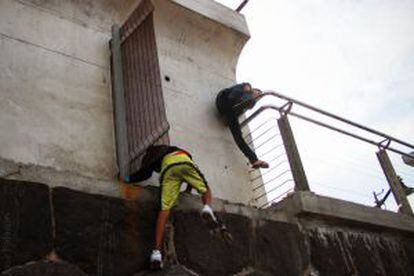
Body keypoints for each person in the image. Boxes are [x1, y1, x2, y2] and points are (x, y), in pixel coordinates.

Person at [120, 145, 218, 269]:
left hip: (169, 169)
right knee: (205, 189)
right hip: (184, 160)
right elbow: (189, 173)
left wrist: (127, 179)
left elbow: (144, 174)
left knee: (164, 210)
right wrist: (188, 190)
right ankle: (207, 208)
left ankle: (156, 253)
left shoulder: (155, 156)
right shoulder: (176, 150)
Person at [216, 82, 269, 169]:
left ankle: (254, 160)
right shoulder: (246, 87)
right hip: (223, 99)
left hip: (228, 111)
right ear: (254, 89)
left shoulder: (245, 104)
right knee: (248, 96)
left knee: (239, 137)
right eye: (258, 93)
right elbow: (234, 94)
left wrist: (230, 120)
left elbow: (236, 113)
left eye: (260, 96)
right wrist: (248, 90)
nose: (259, 96)